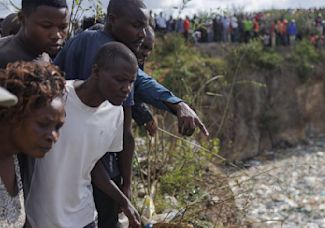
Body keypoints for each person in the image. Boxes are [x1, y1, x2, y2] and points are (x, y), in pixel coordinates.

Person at [54, 0, 209, 227]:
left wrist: (150, 112)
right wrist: (125, 186)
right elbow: (124, 129)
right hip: (89, 161)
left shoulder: (90, 40)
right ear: (113, 20)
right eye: (137, 26)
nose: (142, 34)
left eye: (144, 27)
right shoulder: (108, 51)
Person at [25, 42, 141, 228]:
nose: (126, 88)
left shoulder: (115, 113)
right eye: (120, 80)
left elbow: (91, 164)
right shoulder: (58, 98)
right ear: (96, 71)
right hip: (39, 218)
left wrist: (124, 201)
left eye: (131, 82)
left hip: (84, 218)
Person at [0, 61, 66, 227]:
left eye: (57, 127)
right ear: (13, 114)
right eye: (43, 124)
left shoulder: (14, 157)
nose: (53, 136)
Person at [0, 0, 69, 68]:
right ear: (22, 19)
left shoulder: (42, 52)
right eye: (46, 26)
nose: (56, 35)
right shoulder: (5, 59)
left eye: (63, 27)